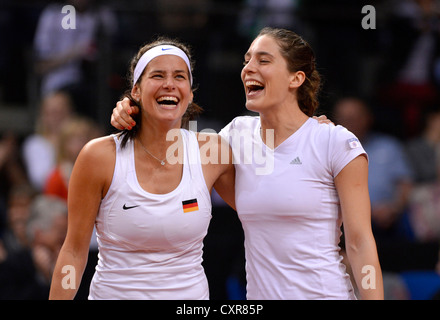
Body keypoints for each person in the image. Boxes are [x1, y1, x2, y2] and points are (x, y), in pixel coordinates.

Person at [111, 27, 383, 299]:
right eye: (246, 61)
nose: (248, 69)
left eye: (263, 60)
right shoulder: (234, 136)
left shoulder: (334, 142)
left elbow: (359, 243)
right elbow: (166, 148)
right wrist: (133, 107)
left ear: (296, 78)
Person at [49, 37, 235, 300]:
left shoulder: (212, 151)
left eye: (179, 76)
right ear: (135, 91)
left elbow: (263, 211)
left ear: (190, 91)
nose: (169, 84)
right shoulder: (99, 156)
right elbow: (74, 252)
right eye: (158, 75)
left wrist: (308, 128)